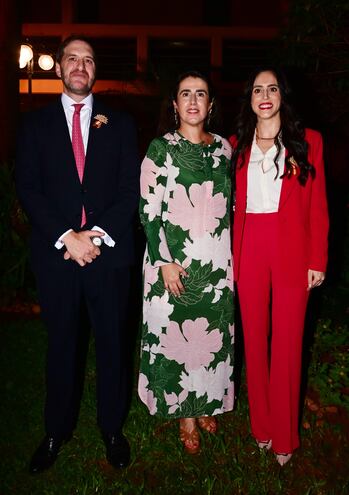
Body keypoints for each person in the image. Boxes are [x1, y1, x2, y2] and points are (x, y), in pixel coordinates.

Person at [15, 36, 140, 473]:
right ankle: (55, 431)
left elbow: (130, 191)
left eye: (88, 59)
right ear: (60, 68)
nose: (80, 66)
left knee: (111, 345)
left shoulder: (121, 125)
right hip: (58, 257)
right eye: (72, 58)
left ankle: (111, 428)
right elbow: (28, 187)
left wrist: (98, 235)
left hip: (109, 256)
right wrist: (67, 235)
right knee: (62, 346)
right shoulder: (34, 125)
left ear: (95, 69)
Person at [230, 68, 329, 465]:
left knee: (288, 341)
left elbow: (319, 205)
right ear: (250, 99)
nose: (265, 95)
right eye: (258, 89)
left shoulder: (309, 142)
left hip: (292, 248)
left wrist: (317, 259)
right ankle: (262, 427)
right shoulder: (236, 145)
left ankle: (285, 436)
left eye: (272, 88)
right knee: (254, 338)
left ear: (283, 96)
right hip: (249, 245)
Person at [138, 71, 235, 454]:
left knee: (211, 340)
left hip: (216, 264)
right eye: (185, 94)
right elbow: (148, 210)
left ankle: (206, 402)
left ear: (210, 105)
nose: (193, 101)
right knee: (178, 340)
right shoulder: (161, 149)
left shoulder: (225, 149)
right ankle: (186, 415)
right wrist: (164, 260)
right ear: (174, 104)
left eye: (201, 94)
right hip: (173, 262)